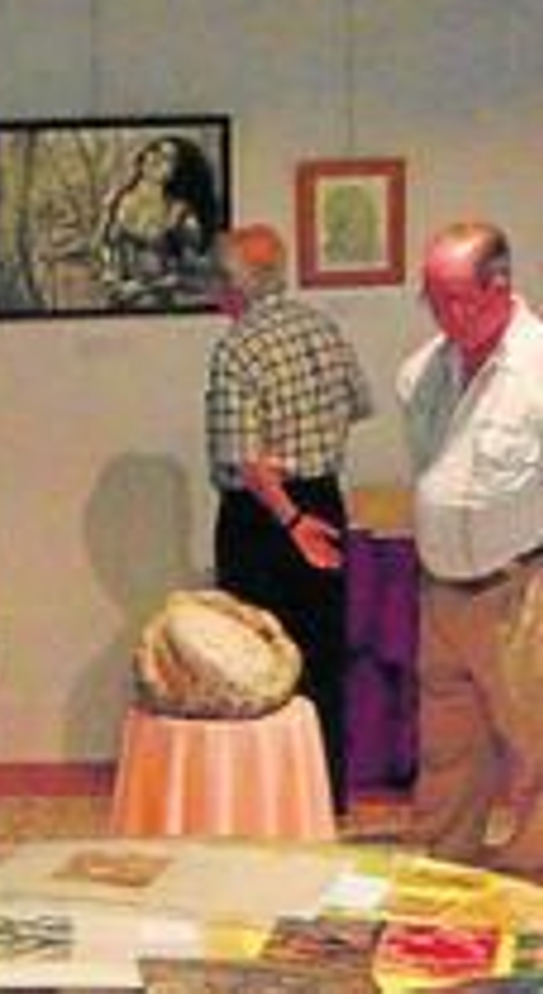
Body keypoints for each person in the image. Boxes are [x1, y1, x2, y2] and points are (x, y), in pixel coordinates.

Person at [204, 223, 373, 815]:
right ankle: (322, 794)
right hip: (324, 497)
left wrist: (288, 511)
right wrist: (309, 458)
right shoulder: (323, 328)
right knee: (321, 654)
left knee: (257, 659)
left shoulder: (238, 347)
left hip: (267, 518)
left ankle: (266, 801)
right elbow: (361, 403)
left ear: (231, 284)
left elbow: (246, 462)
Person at [396, 221, 543, 878]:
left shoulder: (540, 368)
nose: (445, 315)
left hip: (522, 590)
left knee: (538, 750)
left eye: (458, 298)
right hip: (443, 593)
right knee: (448, 752)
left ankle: (534, 890)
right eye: (433, 299)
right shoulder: (423, 372)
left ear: (500, 288)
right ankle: (444, 877)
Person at [98, 134, 220, 309]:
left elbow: (201, 272)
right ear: (144, 155)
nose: (156, 159)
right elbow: (105, 245)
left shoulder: (179, 212)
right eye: (155, 150)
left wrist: (143, 288)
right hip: (116, 302)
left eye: (168, 159)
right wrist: (109, 273)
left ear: (174, 172)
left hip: (155, 306)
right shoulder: (115, 200)